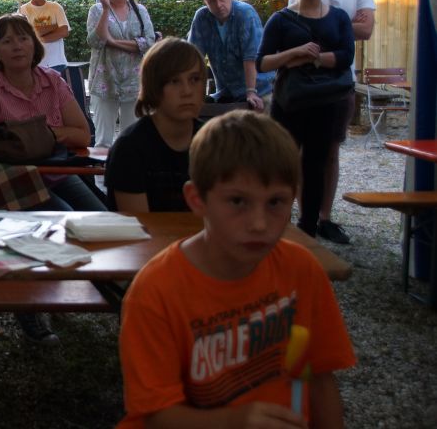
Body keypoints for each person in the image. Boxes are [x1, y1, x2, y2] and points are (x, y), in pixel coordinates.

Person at [118, 110, 356, 429]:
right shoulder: (155, 293)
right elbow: (156, 416)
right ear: (197, 199)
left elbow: (320, 377)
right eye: (237, 202)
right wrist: (234, 421)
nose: (259, 224)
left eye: (275, 202)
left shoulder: (302, 270)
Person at [0, 13, 106, 345]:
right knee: (58, 226)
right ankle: (30, 311)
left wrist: (37, 135)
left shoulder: (51, 80)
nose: (17, 46)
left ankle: (109, 291)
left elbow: (82, 133)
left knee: (101, 223)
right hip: (9, 181)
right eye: (7, 41)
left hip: (54, 171)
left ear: (34, 45)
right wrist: (49, 135)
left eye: (23, 38)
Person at [288, 0, 376, 244]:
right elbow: (297, 30)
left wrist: (323, 26)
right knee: (302, 151)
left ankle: (325, 217)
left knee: (330, 152)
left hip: (341, 81)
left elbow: (367, 30)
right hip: (305, 81)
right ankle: (306, 218)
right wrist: (343, 27)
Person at [258, 0, 354, 241]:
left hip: (326, 103)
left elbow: (346, 57)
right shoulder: (281, 20)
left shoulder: (338, 17)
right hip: (290, 103)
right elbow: (262, 62)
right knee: (281, 164)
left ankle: (308, 230)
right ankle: (275, 225)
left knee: (316, 166)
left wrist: (312, 59)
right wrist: (295, 53)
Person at [104, 38, 205, 213]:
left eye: (194, 79)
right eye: (174, 81)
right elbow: (139, 224)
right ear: (154, 87)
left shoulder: (216, 142)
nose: (187, 91)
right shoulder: (129, 149)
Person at [87, 0, 158, 147]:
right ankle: (103, 168)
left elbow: (149, 42)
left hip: (134, 83)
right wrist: (105, 9)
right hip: (104, 81)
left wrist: (113, 42)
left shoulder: (140, 11)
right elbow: (95, 41)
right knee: (103, 142)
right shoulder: (96, 10)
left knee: (133, 141)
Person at [187, 0, 273, 111]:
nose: (218, 4)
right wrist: (191, 92)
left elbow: (251, 57)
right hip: (226, 92)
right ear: (205, 3)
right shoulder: (201, 17)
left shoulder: (245, 13)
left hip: (260, 88)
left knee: (260, 117)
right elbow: (194, 58)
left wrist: (251, 91)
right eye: (212, 1)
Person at [19, 0, 70, 74]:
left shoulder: (56, 7)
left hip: (56, 62)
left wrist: (37, 38)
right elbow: (26, 35)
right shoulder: (22, 10)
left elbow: (64, 32)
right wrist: (55, 26)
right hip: (33, 62)